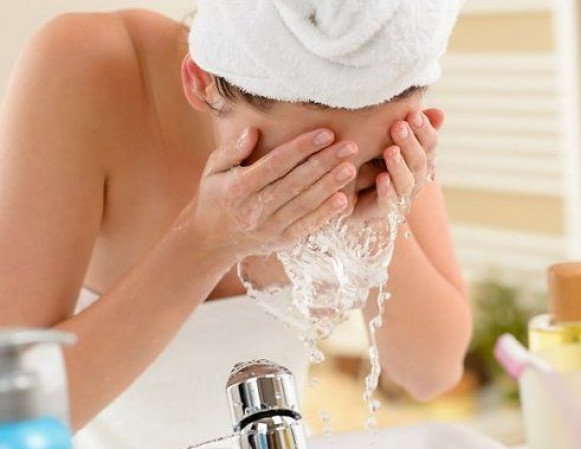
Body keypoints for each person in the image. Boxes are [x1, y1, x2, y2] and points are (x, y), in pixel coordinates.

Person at [0, 2, 471, 447]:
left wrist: (379, 221)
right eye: (296, 172)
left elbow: (430, 373)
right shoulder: (90, 67)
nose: (334, 198)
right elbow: (12, 415)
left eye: (366, 165)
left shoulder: (380, 69)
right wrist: (206, 241)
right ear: (200, 82)